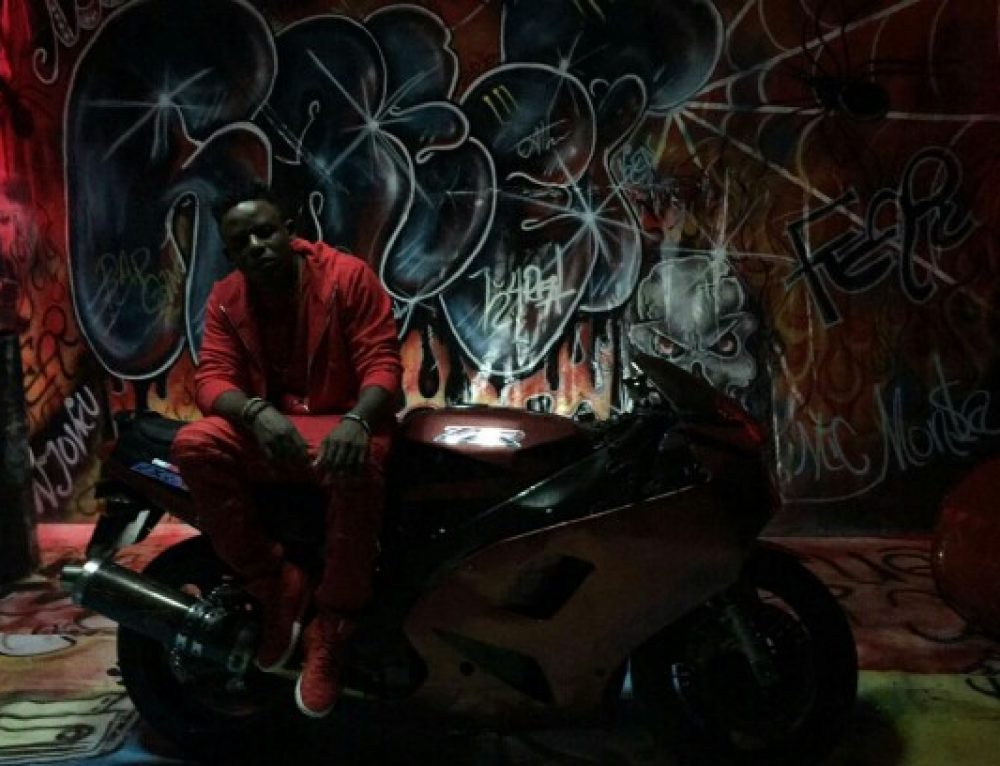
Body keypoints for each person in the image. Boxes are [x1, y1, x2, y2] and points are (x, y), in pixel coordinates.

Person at [170, 184, 402, 718]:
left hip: (347, 422)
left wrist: (357, 421)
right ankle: (274, 582)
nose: (256, 246)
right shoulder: (227, 296)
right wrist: (255, 412)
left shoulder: (347, 277)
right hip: (276, 431)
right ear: (230, 253)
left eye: (264, 232)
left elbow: (382, 363)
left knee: (358, 462)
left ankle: (332, 624)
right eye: (241, 242)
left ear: (289, 231)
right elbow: (212, 378)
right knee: (195, 444)